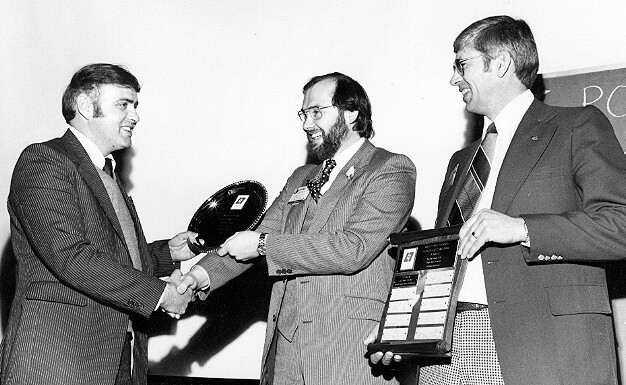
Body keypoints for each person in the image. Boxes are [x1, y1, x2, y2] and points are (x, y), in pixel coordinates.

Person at [368, 15, 626, 385]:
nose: (453, 78)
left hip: (536, 346)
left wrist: (522, 228)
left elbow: (621, 222)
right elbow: (439, 261)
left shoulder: (576, 126)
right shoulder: (462, 161)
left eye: (462, 64)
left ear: (501, 63)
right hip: (447, 347)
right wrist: (400, 329)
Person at [177, 72, 416, 384]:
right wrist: (194, 278)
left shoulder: (389, 168)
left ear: (352, 113)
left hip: (346, 344)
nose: (306, 124)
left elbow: (352, 249)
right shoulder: (301, 177)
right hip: (287, 348)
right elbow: (252, 238)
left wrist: (263, 244)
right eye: (304, 114)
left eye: (317, 112)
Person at [0, 63, 197, 385]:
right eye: (123, 104)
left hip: (118, 354)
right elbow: (70, 255)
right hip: (59, 355)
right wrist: (162, 294)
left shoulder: (106, 173)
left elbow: (109, 255)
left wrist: (169, 253)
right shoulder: (45, 160)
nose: (134, 116)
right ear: (83, 106)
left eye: (135, 106)